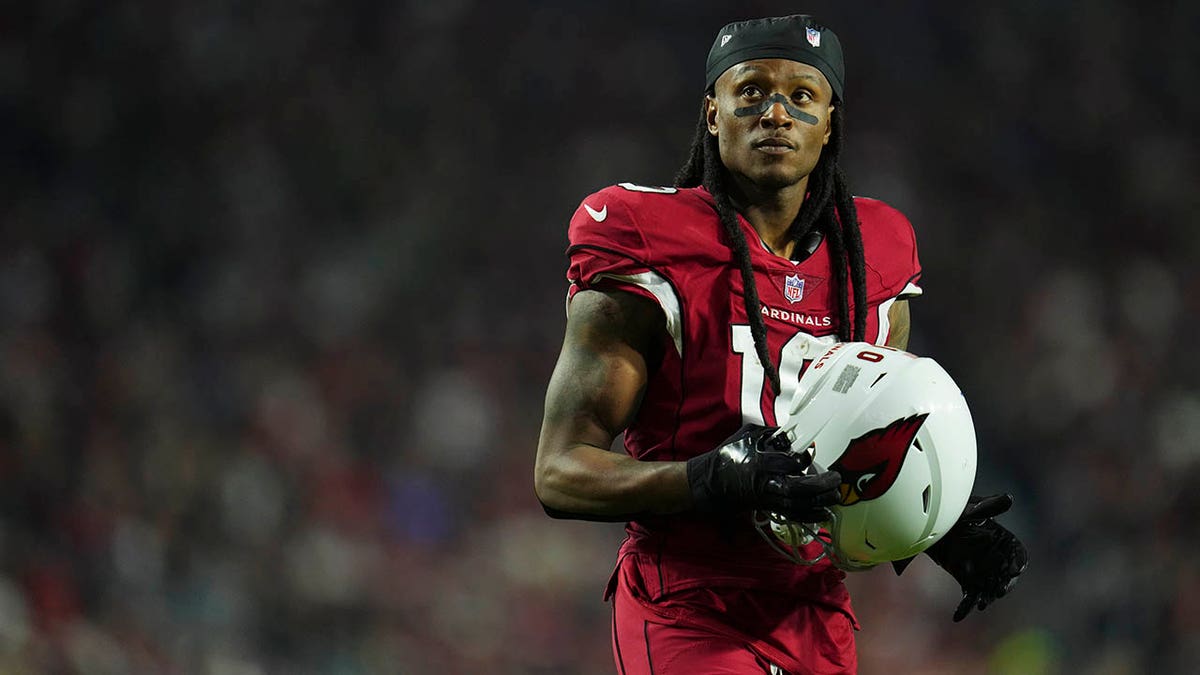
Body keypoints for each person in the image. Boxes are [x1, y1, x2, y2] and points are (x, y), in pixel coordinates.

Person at [534, 14, 1027, 675]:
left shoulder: (875, 255)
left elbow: (861, 446)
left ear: (831, 124)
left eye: (802, 96)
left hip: (814, 608)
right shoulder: (642, 234)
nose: (775, 113)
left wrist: (935, 523)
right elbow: (559, 471)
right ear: (713, 114)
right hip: (686, 598)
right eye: (752, 91)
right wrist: (708, 476)